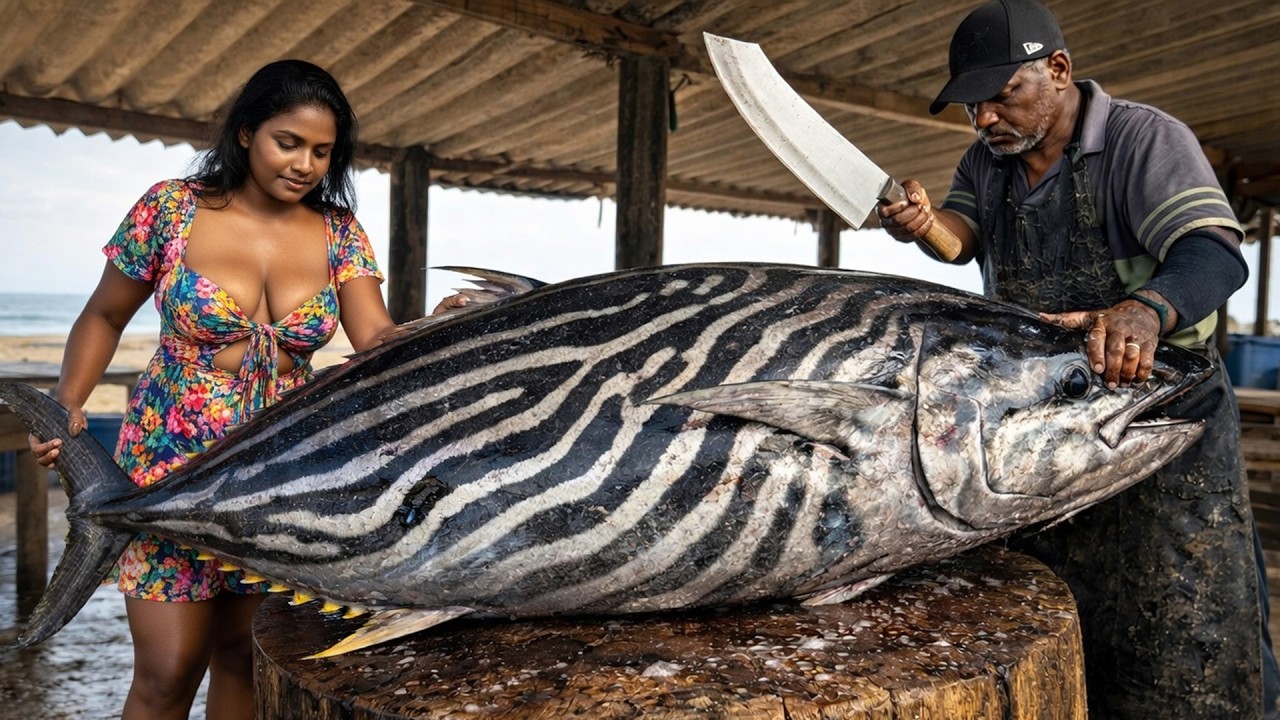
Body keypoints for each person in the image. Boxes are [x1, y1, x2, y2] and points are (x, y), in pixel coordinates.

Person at [876, 1, 1279, 717]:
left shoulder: (1141, 139)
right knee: (1060, 636)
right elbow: (960, 240)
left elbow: (1213, 253)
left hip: (1159, 428)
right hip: (1047, 437)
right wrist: (922, 224)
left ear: (1058, 71)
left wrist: (1147, 309)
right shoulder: (987, 162)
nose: (984, 121)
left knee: (1189, 641)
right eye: (974, 106)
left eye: (1003, 97)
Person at [27, 60, 397, 720]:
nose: (305, 164)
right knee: (167, 674)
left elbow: (376, 339)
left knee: (244, 659)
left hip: (279, 473)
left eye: (322, 151)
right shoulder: (171, 208)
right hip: (170, 471)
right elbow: (104, 314)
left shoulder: (340, 232)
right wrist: (69, 401)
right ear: (248, 133)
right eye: (290, 142)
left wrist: (456, 326)